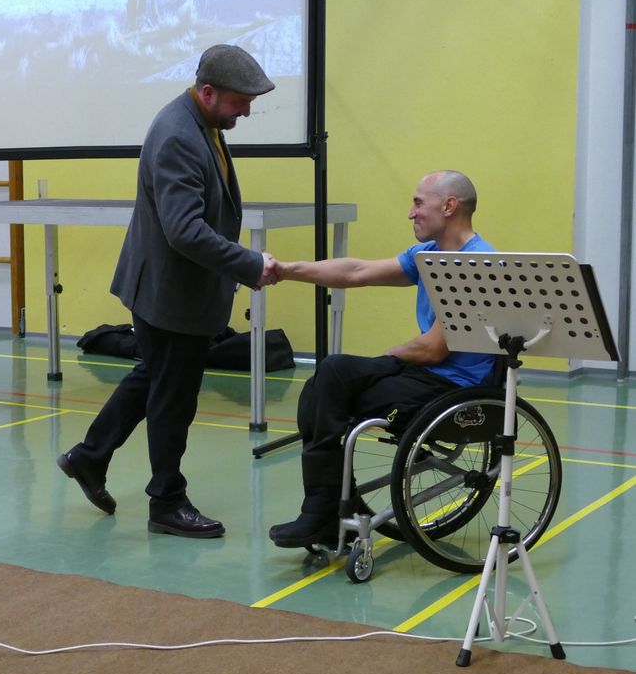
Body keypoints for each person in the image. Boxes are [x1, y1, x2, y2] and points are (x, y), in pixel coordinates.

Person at [58, 44, 277, 539]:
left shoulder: (200, 124)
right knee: (173, 397)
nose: (247, 110)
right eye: (242, 101)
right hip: (170, 293)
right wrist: (249, 264)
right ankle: (166, 502)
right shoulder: (179, 134)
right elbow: (184, 230)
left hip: (170, 287)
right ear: (207, 92)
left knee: (155, 377)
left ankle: (89, 458)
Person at [268, 170, 497, 549]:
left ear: (449, 206)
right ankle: (326, 504)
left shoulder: (477, 264)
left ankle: (322, 510)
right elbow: (358, 271)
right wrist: (289, 270)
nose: (411, 213)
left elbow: (434, 349)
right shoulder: (428, 255)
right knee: (319, 387)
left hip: (454, 388)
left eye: (418, 203)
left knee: (333, 378)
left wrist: (384, 360)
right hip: (424, 374)